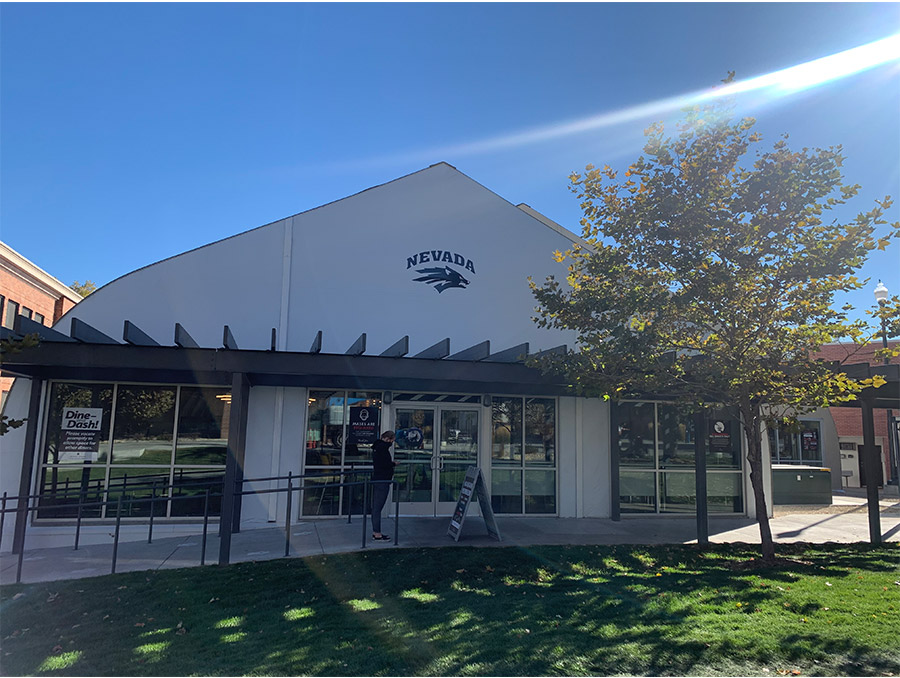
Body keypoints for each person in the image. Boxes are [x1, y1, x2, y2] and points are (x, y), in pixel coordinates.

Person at [370, 430, 396, 541]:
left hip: (379, 479)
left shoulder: (377, 448)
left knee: (376, 507)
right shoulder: (383, 449)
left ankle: (376, 531)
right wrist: (393, 463)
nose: (391, 443)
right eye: (391, 440)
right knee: (377, 507)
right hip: (382, 480)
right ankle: (377, 533)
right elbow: (384, 464)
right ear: (387, 439)